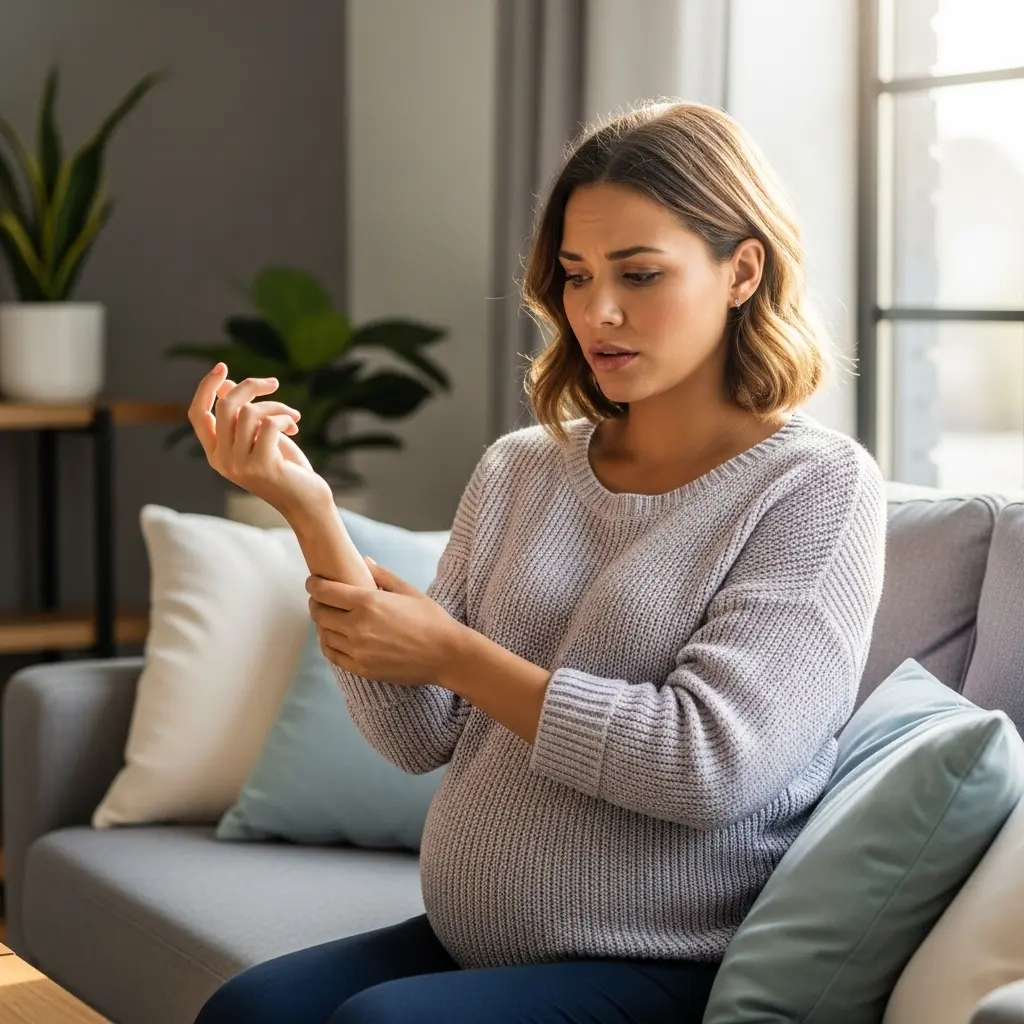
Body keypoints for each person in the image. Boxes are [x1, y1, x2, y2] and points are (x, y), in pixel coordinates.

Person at [192, 101, 886, 1024]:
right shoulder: (524, 466)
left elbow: (707, 764)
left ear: (741, 269)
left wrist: (456, 655)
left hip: (666, 963)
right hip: (472, 939)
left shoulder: (815, 486)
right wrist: (309, 509)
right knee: (246, 1012)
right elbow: (417, 736)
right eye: (574, 275)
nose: (597, 312)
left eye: (640, 274)